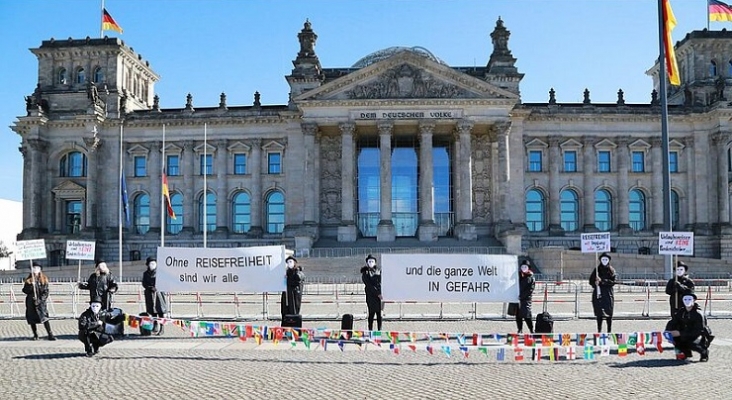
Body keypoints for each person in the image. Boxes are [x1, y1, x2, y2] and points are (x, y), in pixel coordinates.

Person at [667, 292, 710, 362]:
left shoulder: (698, 314)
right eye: (685, 299)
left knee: (689, 342)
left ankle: (703, 352)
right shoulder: (681, 312)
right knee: (676, 340)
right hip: (685, 333)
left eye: (689, 299)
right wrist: (668, 331)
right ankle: (686, 353)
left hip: (699, 335)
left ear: (693, 300)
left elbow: (699, 330)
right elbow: (673, 321)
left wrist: (680, 333)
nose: (687, 301)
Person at [21, 262, 56, 341]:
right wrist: (30, 286)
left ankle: (50, 334)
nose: (35, 270)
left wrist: (40, 300)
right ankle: (35, 334)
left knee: (44, 318)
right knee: (32, 318)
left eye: (37, 268)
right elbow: (25, 290)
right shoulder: (29, 280)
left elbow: (46, 291)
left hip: (41, 303)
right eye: (34, 268)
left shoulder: (43, 279)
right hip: (31, 302)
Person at [589, 252, 617, 333]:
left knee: (609, 314)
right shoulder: (597, 270)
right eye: (603, 259)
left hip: (608, 294)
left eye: (606, 259)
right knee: (599, 314)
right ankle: (599, 331)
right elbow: (591, 281)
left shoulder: (611, 271)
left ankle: (609, 331)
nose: (604, 261)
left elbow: (613, 282)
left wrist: (603, 281)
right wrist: (595, 283)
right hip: (598, 294)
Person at [142, 256, 168, 335]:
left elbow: (164, 282)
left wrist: (157, 287)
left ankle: (162, 328)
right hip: (150, 294)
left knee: (160, 311)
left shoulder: (160, 273)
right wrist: (149, 287)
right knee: (152, 312)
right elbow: (144, 283)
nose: (152, 265)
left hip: (159, 294)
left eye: (154, 263)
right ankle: (155, 325)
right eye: (151, 263)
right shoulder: (145, 274)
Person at [361, 254, 383, 331]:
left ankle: (379, 331)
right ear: (367, 262)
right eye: (369, 261)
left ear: (375, 263)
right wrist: (378, 293)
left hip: (379, 296)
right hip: (371, 296)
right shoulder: (365, 273)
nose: (371, 263)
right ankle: (370, 331)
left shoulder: (378, 271)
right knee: (371, 314)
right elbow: (369, 285)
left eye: (372, 261)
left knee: (379, 315)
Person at [280, 256, 304, 320]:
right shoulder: (287, 272)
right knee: (285, 311)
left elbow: (298, 281)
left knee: (293, 311)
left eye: (290, 262)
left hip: (294, 296)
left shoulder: (297, 272)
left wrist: (288, 280)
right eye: (288, 262)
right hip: (287, 295)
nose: (289, 263)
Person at [516, 259, 535, 334]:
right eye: (522, 266)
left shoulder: (531, 277)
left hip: (526, 298)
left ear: (528, 268)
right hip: (517, 298)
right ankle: (520, 329)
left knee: (527, 315)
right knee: (518, 315)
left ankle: (531, 329)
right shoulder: (518, 275)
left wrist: (522, 296)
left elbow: (530, 290)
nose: (523, 268)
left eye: (525, 266)